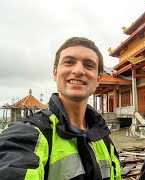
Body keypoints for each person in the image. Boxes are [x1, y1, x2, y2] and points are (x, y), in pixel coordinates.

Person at [0, 37, 121, 180]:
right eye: (69, 62)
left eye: (89, 65)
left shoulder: (104, 140)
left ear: (98, 79)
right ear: (55, 73)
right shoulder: (29, 134)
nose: (78, 70)